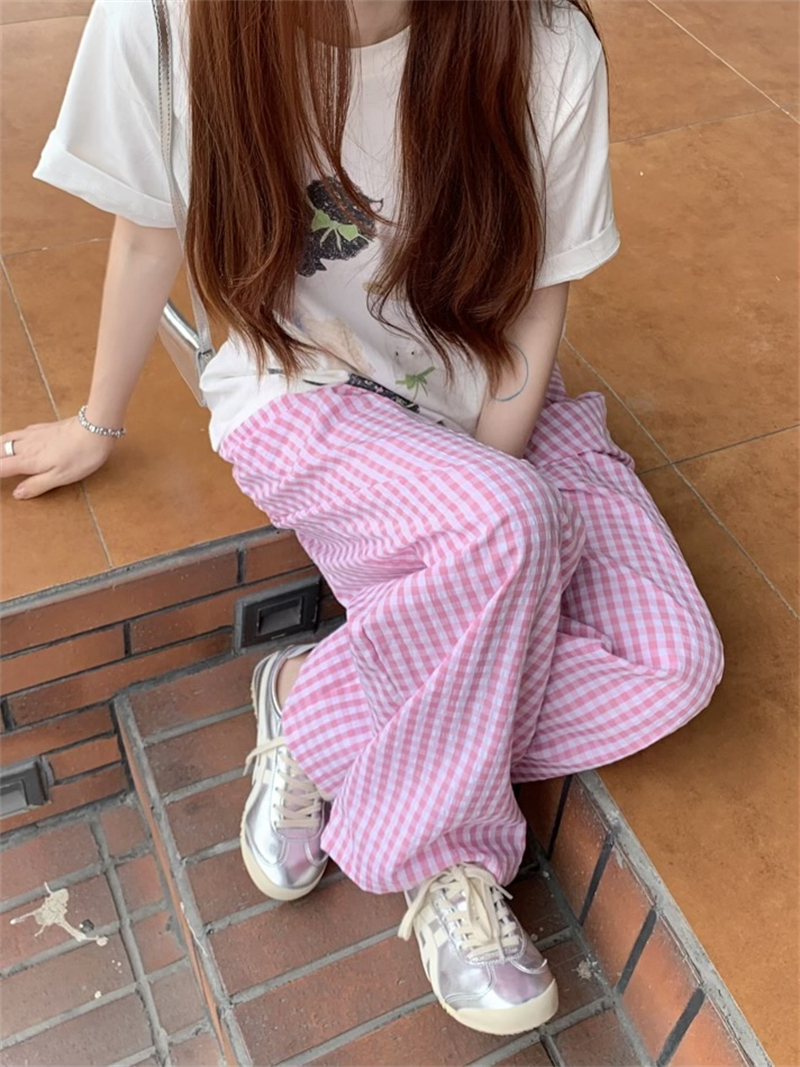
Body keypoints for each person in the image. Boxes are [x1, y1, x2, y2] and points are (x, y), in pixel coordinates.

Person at [1, 0, 725, 1037]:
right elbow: (146, 236)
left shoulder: (544, 43)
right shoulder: (162, 21)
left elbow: (536, 297)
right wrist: (95, 422)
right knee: (504, 527)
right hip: (305, 393)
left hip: (492, 393)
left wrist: (486, 507)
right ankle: (444, 850)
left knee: (674, 663)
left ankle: (313, 701)